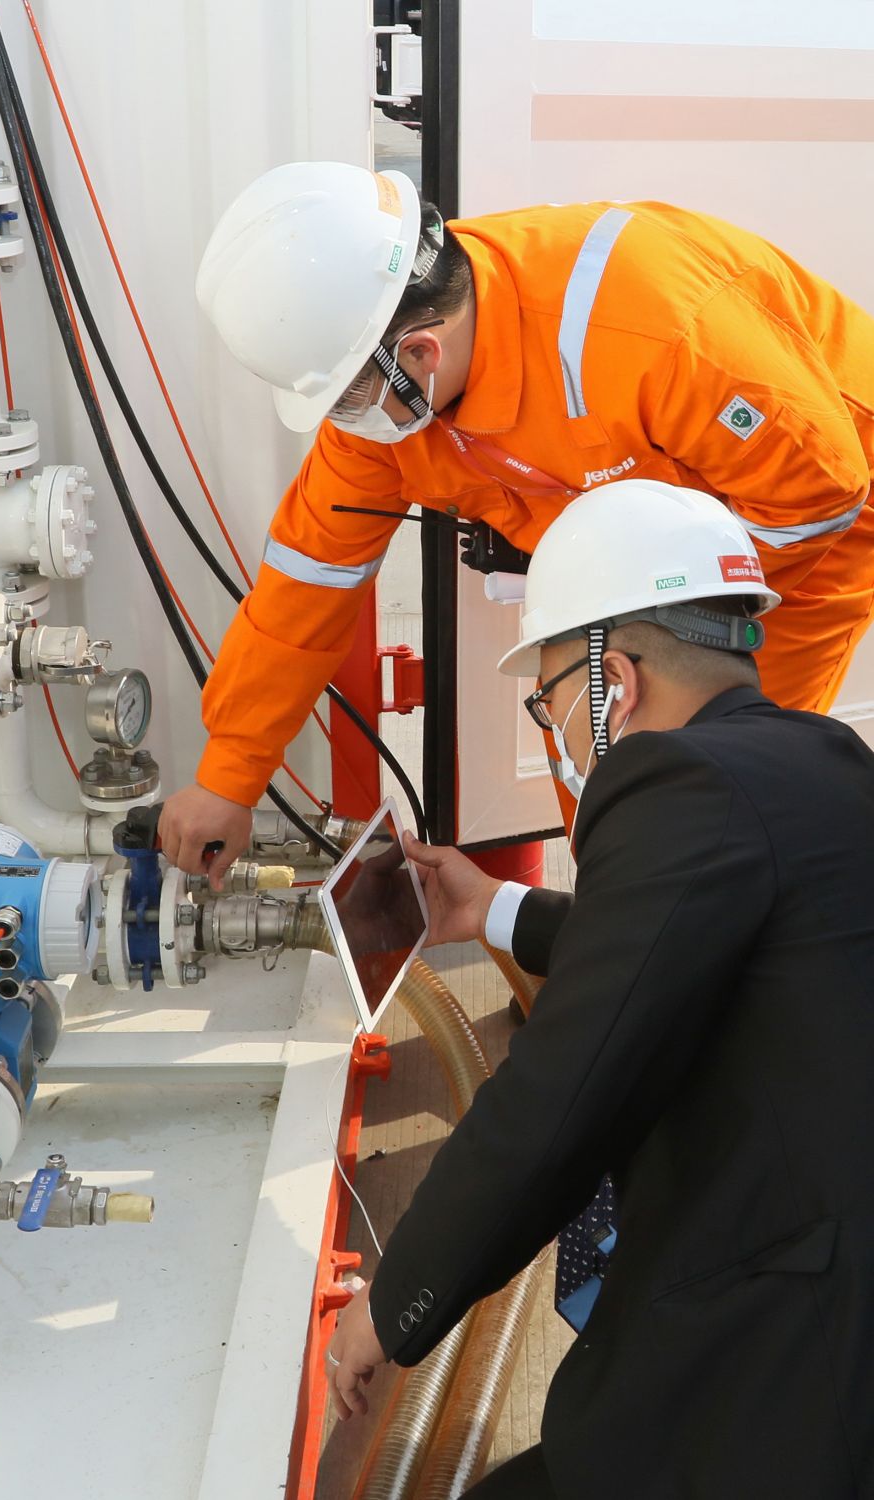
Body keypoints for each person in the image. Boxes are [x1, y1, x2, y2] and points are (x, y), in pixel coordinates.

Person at [325, 479, 874, 1499]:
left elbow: (558, 1097)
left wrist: (389, 1303)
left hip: (793, 1362)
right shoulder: (819, 757)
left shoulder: (671, 783)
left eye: (549, 706)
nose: (559, 738)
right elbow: (679, 959)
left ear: (610, 682)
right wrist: (493, 907)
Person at [159, 161, 874, 880]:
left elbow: (821, 492)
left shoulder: (652, 330)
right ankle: (620, 918)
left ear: (419, 352)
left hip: (804, 517)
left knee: (713, 790)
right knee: (600, 769)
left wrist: (655, 629)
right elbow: (306, 586)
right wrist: (230, 776)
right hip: (644, 548)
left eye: (347, 397)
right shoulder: (388, 410)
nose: (346, 422)